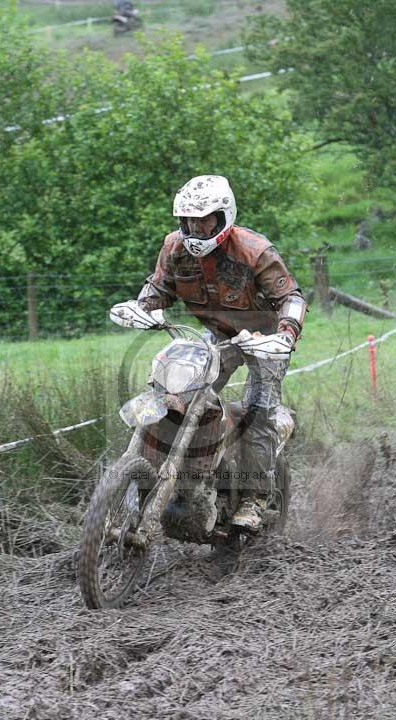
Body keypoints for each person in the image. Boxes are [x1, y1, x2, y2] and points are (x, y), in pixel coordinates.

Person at [135, 175, 307, 531]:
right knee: (177, 392)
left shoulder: (254, 251)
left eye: (204, 219)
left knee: (257, 412)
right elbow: (159, 288)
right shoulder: (175, 247)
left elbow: (291, 297)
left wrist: (285, 335)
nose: (196, 227)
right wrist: (143, 308)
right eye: (188, 220)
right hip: (216, 336)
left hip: (264, 340)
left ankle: (254, 499)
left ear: (223, 216)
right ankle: (175, 473)